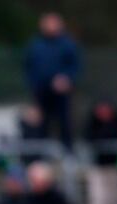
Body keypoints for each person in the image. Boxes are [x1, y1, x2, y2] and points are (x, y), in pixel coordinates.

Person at [24, 12, 80, 150]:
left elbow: (75, 66)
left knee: (64, 123)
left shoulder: (68, 45)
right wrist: (32, 86)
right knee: (40, 123)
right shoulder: (35, 45)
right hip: (40, 92)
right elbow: (28, 67)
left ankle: (68, 153)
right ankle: (40, 155)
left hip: (61, 92)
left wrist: (67, 79)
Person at [83, 99, 117, 204]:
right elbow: (90, 139)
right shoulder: (93, 125)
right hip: (98, 168)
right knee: (99, 199)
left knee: (114, 198)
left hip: (114, 167)